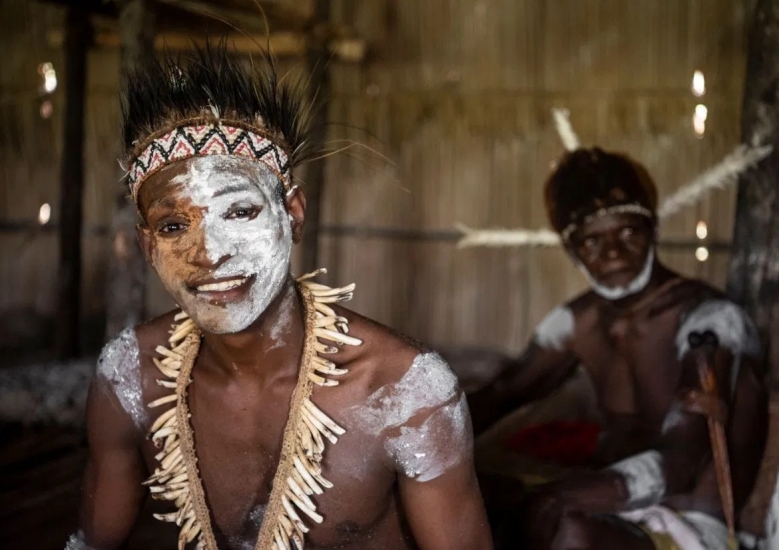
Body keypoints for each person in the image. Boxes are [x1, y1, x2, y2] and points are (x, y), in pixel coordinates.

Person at [65, 43, 492, 550]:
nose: (208, 254)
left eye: (240, 212)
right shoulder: (129, 379)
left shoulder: (404, 392)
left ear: (292, 214)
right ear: (146, 245)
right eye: (174, 225)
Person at [468, 148, 779, 548]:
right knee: (469, 498)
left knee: (564, 530)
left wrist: (556, 499)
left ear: (653, 229)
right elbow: (502, 394)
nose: (614, 253)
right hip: (611, 507)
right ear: (572, 252)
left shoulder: (710, 321)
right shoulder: (579, 322)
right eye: (592, 241)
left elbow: (683, 461)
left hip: (690, 525)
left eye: (629, 232)